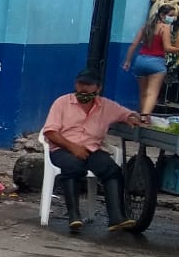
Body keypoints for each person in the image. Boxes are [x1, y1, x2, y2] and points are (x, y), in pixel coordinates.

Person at [42, 69, 141, 233]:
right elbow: (50, 132)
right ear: (75, 84)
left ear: (98, 88)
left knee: (112, 170)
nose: (83, 89)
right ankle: (74, 216)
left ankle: (116, 217)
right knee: (73, 167)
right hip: (63, 148)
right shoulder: (62, 102)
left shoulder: (106, 106)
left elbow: (126, 114)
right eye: (81, 84)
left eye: (88, 85)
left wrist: (131, 117)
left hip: (92, 149)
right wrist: (73, 147)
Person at [121, 0, 179, 114]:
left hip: (140, 61)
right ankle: (144, 118)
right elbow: (168, 48)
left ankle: (143, 116)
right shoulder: (165, 28)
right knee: (152, 93)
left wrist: (127, 61)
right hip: (156, 63)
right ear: (163, 15)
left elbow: (134, 45)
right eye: (171, 16)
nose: (173, 18)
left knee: (143, 93)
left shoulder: (145, 27)